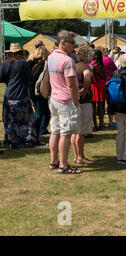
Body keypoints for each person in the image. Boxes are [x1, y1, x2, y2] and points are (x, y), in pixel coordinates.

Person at [47, 30, 82, 174]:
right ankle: (63, 165)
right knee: (66, 133)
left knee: (55, 131)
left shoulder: (51, 57)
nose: (74, 46)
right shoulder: (68, 61)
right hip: (65, 100)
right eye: (72, 43)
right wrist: (76, 102)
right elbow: (71, 85)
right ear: (63, 43)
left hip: (54, 98)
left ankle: (54, 161)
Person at [0, 44, 39, 149]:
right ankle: (26, 139)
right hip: (20, 94)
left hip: (9, 94)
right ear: (20, 52)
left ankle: (10, 140)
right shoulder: (23, 63)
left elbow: (1, 78)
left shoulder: (5, 63)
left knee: (10, 120)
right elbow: (30, 78)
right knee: (26, 120)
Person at [71, 45, 95, 165]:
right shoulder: (85, 67)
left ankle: (76, 156)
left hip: (74, 100)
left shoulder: (74, 66)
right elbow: (87, 77)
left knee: (74, 130)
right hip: (84, 101)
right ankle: (81, 156)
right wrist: (86, 88)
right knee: (81, 131)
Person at [28, 46, 51, 140]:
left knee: (40, 111)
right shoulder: (41, 64)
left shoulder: (32, 63)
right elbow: (35, 78)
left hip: (32, 90)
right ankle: (36, 132)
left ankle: (39, 130)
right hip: (38, 91)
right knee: (40, 112)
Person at [98, 47, 118, 129]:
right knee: (110, 103)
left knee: (100, 104)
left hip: (99, 84)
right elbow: (115, 69)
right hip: (109, 83)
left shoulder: (96, 60)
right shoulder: (109, 60)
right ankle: (110, 122)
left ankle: (101, 123)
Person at [90, 49, 107, 131]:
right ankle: (101, 124)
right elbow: (105, 77)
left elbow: (92, 78)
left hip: (95, 86)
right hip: (102, 85)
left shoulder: (93, 66)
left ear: (96, 56)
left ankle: (95, 125)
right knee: (101, 106)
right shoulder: (103, 66)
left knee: (93, 107)